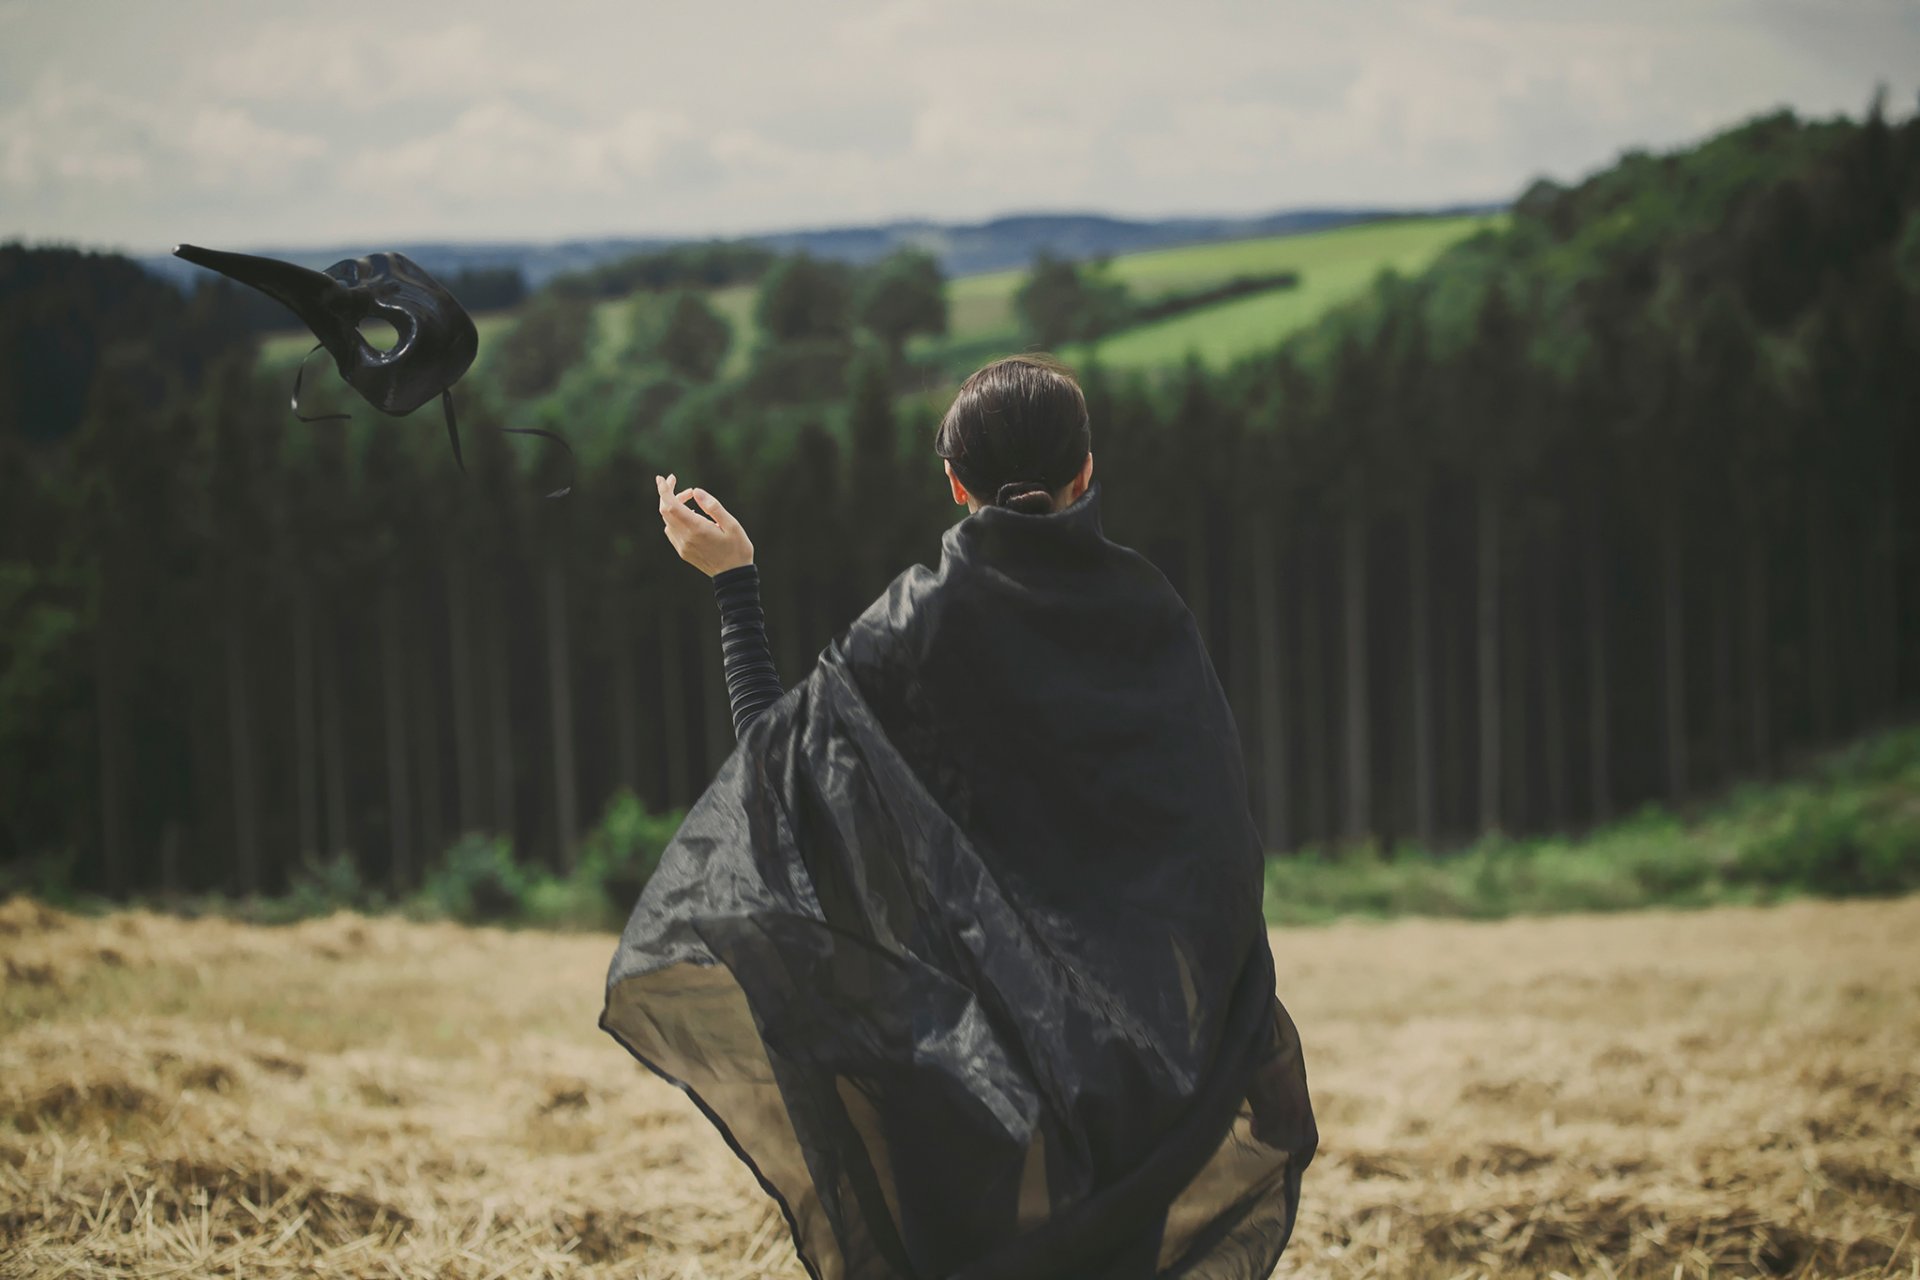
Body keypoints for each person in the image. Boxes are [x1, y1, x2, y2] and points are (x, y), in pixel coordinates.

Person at [602, 355, 1315, 1280]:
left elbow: (778, 785)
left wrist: (735, 583)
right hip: (1146, 1074)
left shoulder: (915, 629)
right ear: (1086, 471)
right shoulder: (1147, 613)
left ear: (954, 482)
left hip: (963, 1074)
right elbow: (1217, 842)